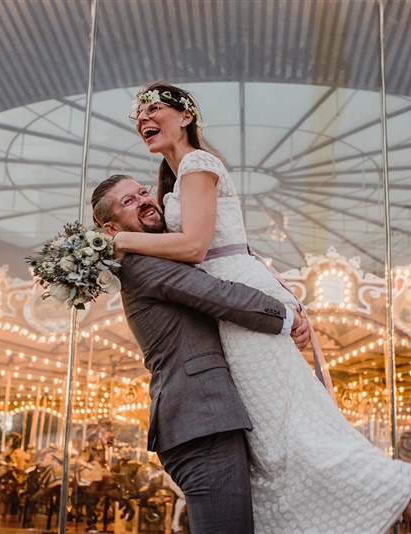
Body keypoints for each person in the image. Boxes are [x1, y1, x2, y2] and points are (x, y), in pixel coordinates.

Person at [102, 81, 411, 534]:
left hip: (235, 293)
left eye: (154, 108)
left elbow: (196, 245)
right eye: (137, 114)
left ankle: (401, 485)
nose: (143, 118)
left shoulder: (198, 164)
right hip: (228, 298)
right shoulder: (173, 184)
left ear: (185, 117)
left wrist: (115, 242)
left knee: (287, 426)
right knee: (269, 436)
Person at [92, 174, 308, 534]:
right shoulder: (141, 264)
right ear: (111, 228)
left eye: (143, 192)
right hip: (201, 418)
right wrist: (287, 316)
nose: (144, 200)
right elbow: (217, 294)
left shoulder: (155, 257)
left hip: (207, 419)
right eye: (128, 201)